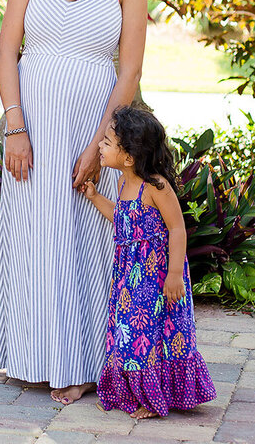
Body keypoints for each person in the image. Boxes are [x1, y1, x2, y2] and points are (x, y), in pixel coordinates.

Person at [0, 0, 150, 404]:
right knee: (35, 238)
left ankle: (81, 362)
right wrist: (15, 129)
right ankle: (32, 354)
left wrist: (99, 143)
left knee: (87, 243)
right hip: (32, 124)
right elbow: (5, 54)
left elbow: (128, 71)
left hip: (96, 122)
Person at [79, 106, 217, 418]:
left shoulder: (156, 186)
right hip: (130, 276)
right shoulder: (122, 183)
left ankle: (154, 399)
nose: (100, 145)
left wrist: (174, 275)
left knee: (153, 336)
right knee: (130, 334)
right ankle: (137, 391)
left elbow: (177, 228)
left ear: (128, 157)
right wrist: (94, 197)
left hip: (158, 275)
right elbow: (123, 220)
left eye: (106, 142)